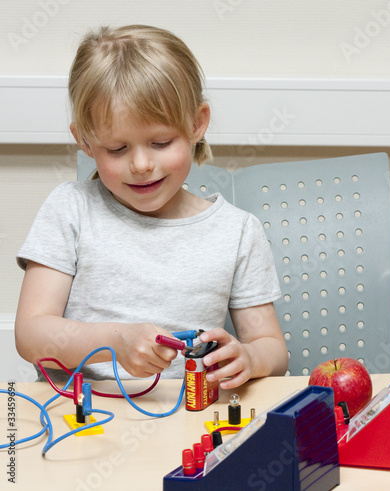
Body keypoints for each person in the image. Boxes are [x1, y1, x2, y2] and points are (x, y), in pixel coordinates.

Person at [15, 25, 288, 389]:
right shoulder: (70, 210)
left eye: (160, 142)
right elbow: (31, 334)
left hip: (190, 418)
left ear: (197, 124)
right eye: (117, 149)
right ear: (84, 139)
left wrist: (250, 358)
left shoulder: (238, 232)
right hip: (82, 419)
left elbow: (272, 348)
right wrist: (115, 342)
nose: (141, 164)